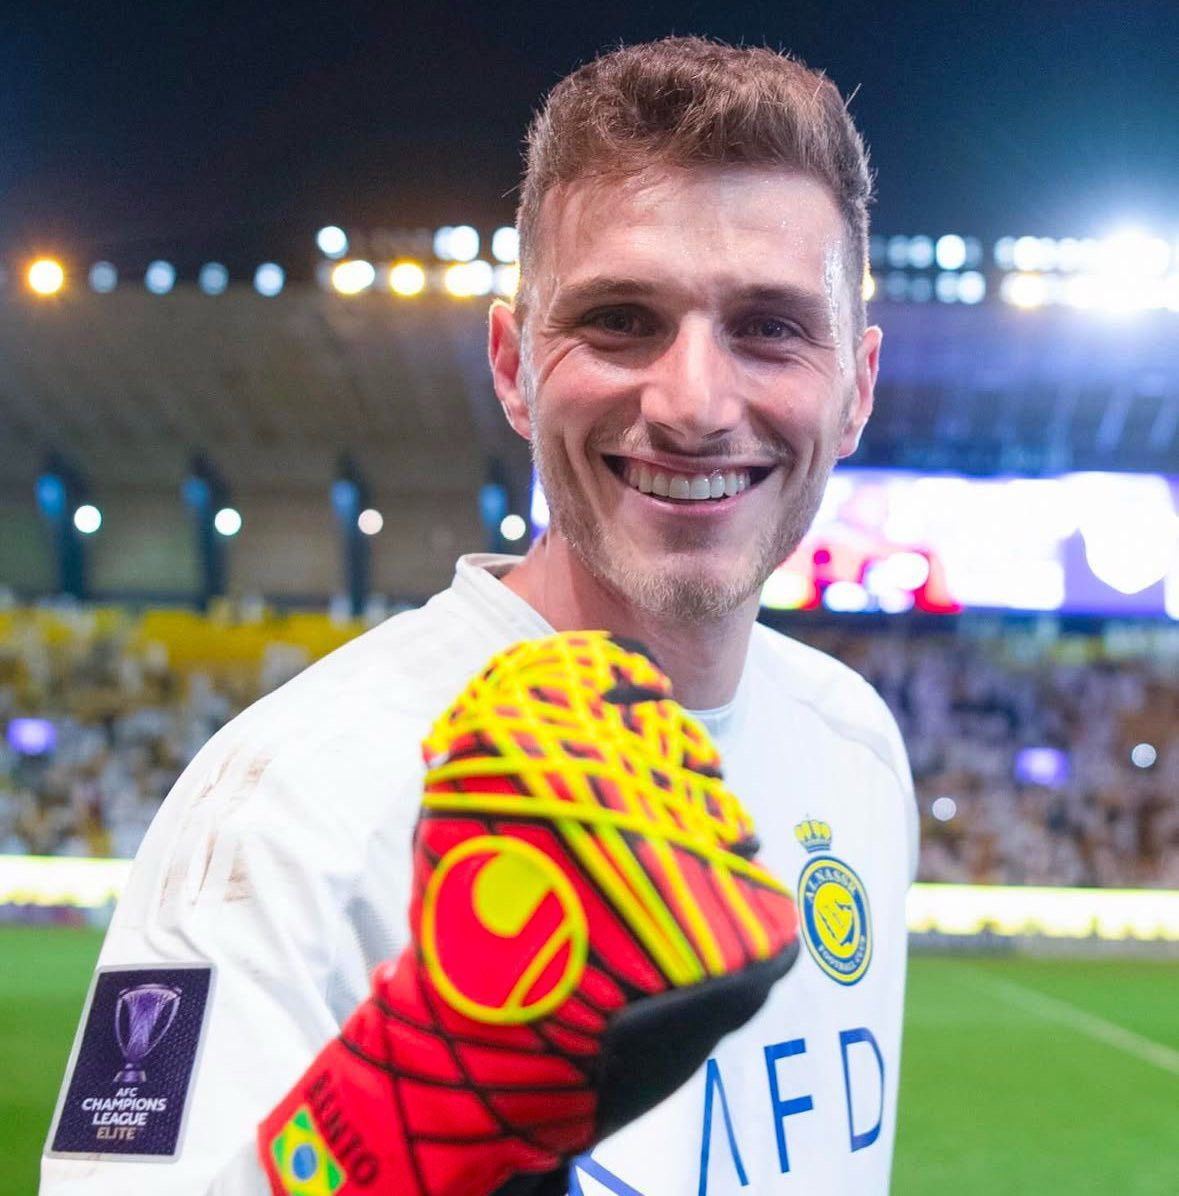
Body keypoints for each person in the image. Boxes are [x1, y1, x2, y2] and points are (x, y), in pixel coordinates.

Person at [41, 36, 917, 1196]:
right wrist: (394, 1126)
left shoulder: (857, 746)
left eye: (770, 326)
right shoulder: (289, 803)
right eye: (620, 319)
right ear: (513, 366)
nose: (694, 403)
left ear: (857, 387)